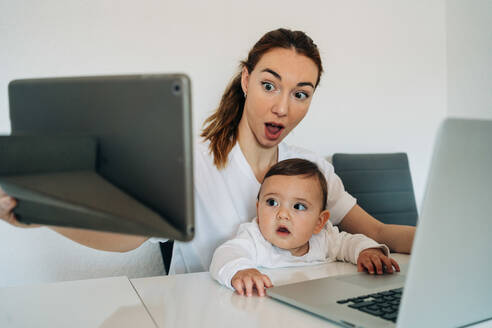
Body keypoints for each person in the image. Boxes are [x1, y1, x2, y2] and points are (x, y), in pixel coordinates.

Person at [0, 28, 415, 275]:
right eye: (270, 85)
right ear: (246, 80)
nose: (283, 108)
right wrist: (42, 215)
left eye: (301, 93)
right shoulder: (191, 161)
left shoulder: (312, 170)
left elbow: (377, 233)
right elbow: (126, 237)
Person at [210, 158, 399, 296]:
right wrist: (240, 270)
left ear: (319, 222)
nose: (282, 214)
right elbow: (226, 253)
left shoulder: (324, 239)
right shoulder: (254, 237)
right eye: (272, 202)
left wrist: (367, 252)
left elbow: (349, 242)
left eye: (298, 206)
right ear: (258, 208)